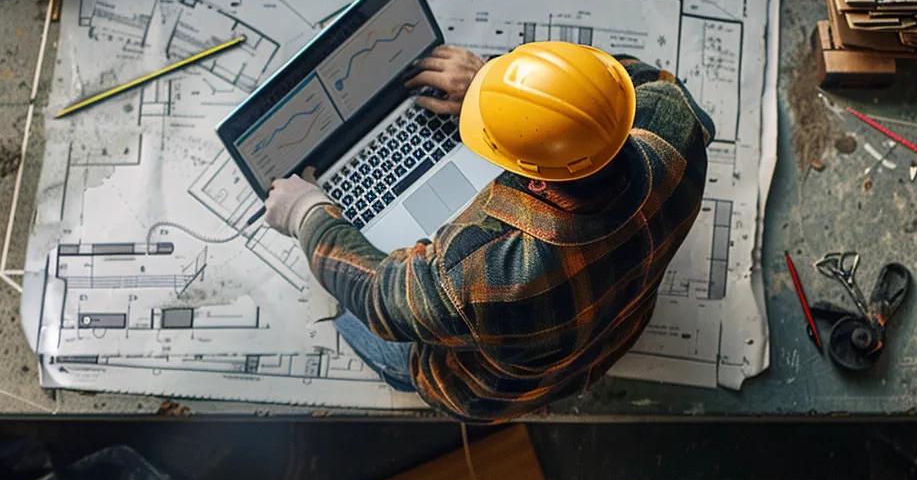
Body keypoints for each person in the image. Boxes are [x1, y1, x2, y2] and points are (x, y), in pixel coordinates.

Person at [261, 41, 715, 422]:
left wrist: (306, 211)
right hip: (615, 329)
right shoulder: (672, 120)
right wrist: (495, 87)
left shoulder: (485, 272)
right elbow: (613, 85)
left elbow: (382, 298)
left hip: (491, 386)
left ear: (537, 181)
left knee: (351, 310)